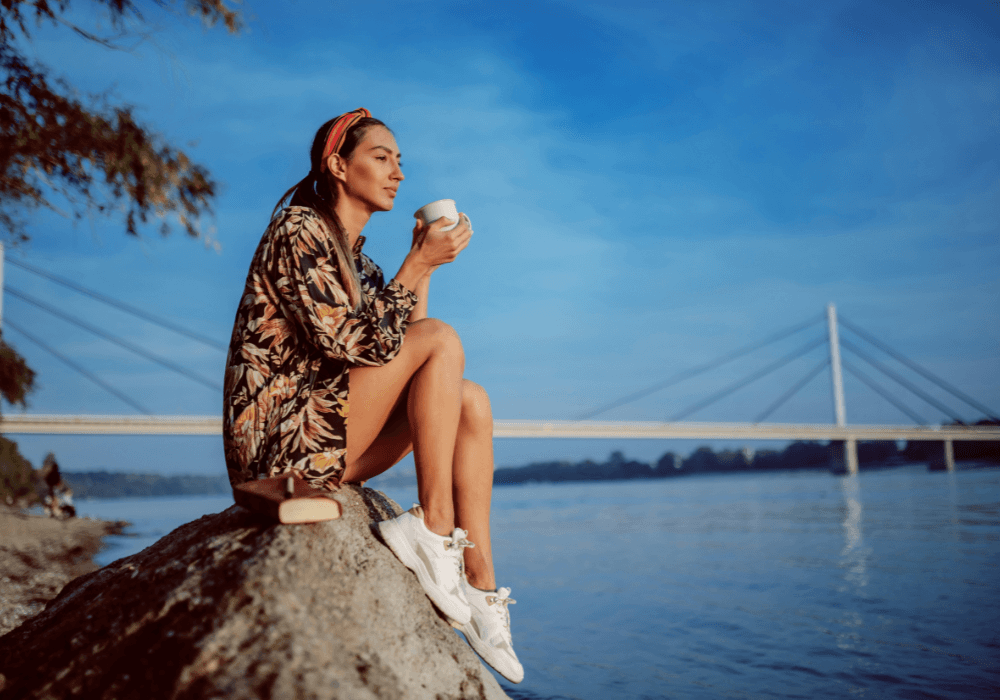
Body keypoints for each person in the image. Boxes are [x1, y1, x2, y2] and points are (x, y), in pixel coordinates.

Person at [223, 108, 523, 683]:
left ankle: (480, 583)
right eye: (381, 158)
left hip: (330, 436)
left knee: (470, 400)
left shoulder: (359, 261)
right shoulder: (299, 229)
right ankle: (432, 531)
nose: (398, 173)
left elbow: (411, 358)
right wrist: (415, 264)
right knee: (443, 341)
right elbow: (347, 343)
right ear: (338, 165)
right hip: (281, 450)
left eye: (400, 162)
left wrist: (423, 269)